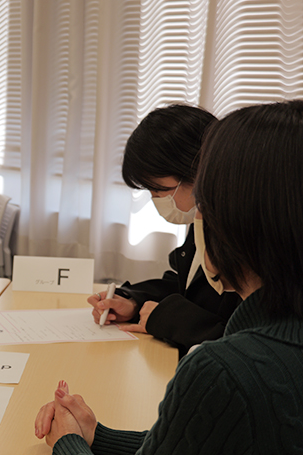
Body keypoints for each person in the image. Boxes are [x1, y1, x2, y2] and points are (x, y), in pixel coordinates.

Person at [35, 100, 303, 455]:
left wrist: (68, 445)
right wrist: (99, 437)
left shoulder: (226, 369)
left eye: (209, 208)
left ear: (235, 221)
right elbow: (207, 444)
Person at [89, 104, 240, 356]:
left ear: (198, 170)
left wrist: (165, 317)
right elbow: (187, 285)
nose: (156, 199)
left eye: (160, 190)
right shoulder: (203, 218)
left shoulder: (243, 235)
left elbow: (245, 337)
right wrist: (133, 302)